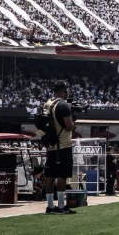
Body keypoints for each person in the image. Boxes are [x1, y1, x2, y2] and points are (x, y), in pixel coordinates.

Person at [43, 80, 76, 215]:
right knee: (62, 176)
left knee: (50, 176)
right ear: (64, 91)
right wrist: (74, 123)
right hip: (63, 145)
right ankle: (61, 206)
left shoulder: (48, 104)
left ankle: (50, 206)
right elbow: (68, 126)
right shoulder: (63, 105)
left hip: (51, 144)